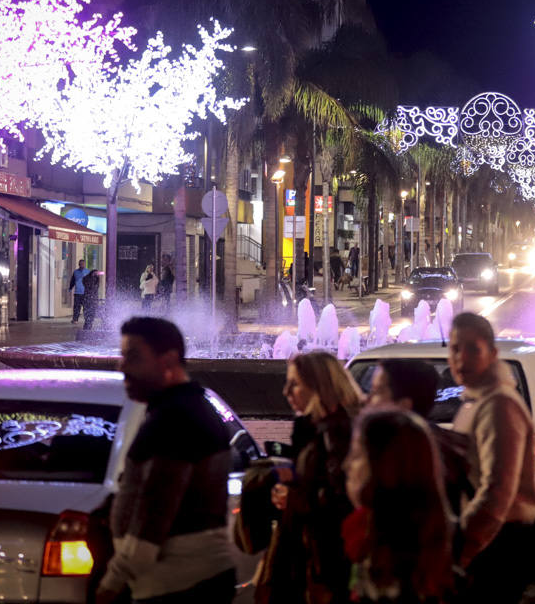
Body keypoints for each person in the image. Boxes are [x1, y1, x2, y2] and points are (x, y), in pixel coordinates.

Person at [95, 317, 235, 604]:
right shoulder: (188, 408)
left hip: (178, 587)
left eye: (132, 357)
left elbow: (155, 510)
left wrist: (112, 582)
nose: (121, 366)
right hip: (189, 581)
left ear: (168, 360)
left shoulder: (175, 419)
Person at [447, 313, 535, 603]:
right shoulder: (477, 399)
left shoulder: (499, 405)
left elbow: (497, 490)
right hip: (489, 541)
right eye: (454, 349)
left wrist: (463, 550)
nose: (461, 359)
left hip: (496, 544)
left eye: (473, 349)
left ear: (492, 353)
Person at [264, 351, 362, 604]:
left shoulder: (339, 433)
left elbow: (343, 499)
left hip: (330, 559)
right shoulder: (317, 428)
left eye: (294, 384)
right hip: (315, 553)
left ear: (319, 385)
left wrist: (296, 498)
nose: (286, 392)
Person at [342, 409, 454, 603]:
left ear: (386, 465)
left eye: (357, 455)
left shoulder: (391, 560)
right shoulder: (430, 536)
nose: (346, 465)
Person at [366, 358, 472, 514]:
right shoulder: (450, 447)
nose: (368, 399)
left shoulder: (407, 456)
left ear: (404, 405)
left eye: (377, 391)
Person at [68, 259, 89, 324]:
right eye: (80, 264)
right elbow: (72, 281)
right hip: (77, 293)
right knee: (76, 307)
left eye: (83, 264)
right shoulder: (75, 272)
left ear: (85, 264)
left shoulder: (88, 272)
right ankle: (75, 320)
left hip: (85, 293)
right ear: (78, 264)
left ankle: (87, 319)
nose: (82, 265)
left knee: (86, 307)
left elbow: (90, 282)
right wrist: (70, 288)